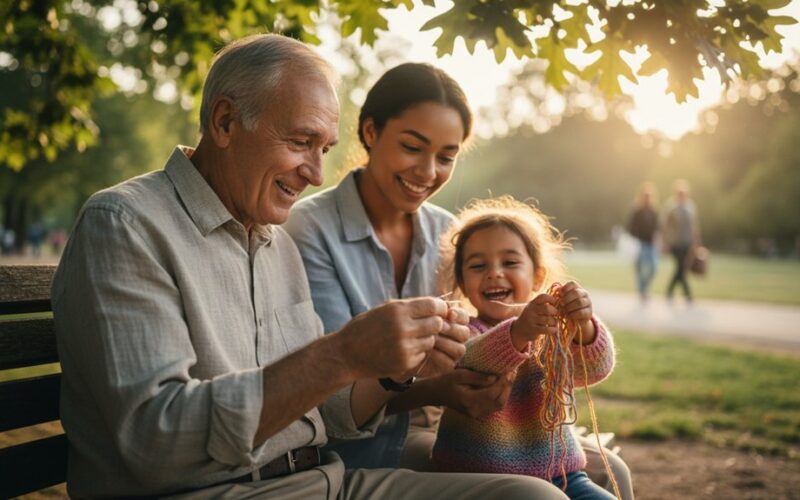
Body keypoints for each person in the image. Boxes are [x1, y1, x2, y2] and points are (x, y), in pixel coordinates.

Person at [51, 34, 568, 499]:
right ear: (225, 122)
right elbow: (157, 440)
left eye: (324, 149)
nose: (317, 173)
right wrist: (341, 354)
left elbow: (324, 413)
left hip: (325, 481)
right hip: (219, 491)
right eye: (300, 142)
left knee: (534, 497)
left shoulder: (274, 241)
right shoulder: (126, 224)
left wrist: (393, 369)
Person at [284, 63, 634, 497]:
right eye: (412, 147)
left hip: (454, 428)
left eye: (446, 157)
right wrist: (437, 390)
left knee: (612, 471)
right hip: (362, 442)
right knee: (536, 491)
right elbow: (332, 388)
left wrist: (566, 324)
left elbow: (484, 332)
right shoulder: (311, 229)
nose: (428, 172)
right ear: (370, 132)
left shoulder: (446, 231)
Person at [430, 196, 627, 500]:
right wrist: (518, 333)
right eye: (478, 265)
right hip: (480, 482)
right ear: (462, 283)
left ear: (537, 276)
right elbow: (469, 362)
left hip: (563, 476)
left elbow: (595, 368)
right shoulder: (460, 330)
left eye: (510, 262)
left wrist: (583, 326)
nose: (494, 273)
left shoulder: (553, 333)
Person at [662, 179, 701, 303]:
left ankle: (669, 291)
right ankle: (687, 294)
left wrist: (696, 242)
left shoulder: (690, 207)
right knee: (681, 267)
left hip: (687, 242)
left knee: (681, 268)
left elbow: (694, 226)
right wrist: (664, 242)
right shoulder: (671, 207)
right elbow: (665, 226)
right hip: (675, 242)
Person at [627, 182, 659, 301]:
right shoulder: (637, 211)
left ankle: (644, 288)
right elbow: (630, 227)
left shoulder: (654, 211)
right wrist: (635, 237)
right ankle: (642, 291)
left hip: (651, 243)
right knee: (639, 268)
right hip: (639, 243)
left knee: (654, 268)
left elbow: (657, 227)